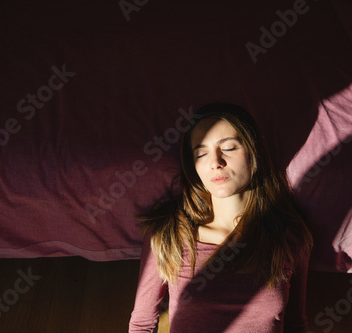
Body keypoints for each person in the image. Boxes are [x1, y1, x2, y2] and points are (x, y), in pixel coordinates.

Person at [129, 103, 313, 332]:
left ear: (253, 152)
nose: (215, 163)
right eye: (202, 153)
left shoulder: (289, 236)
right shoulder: (169, 234)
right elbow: (142, 323)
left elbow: (296, 323)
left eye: (228, 148)